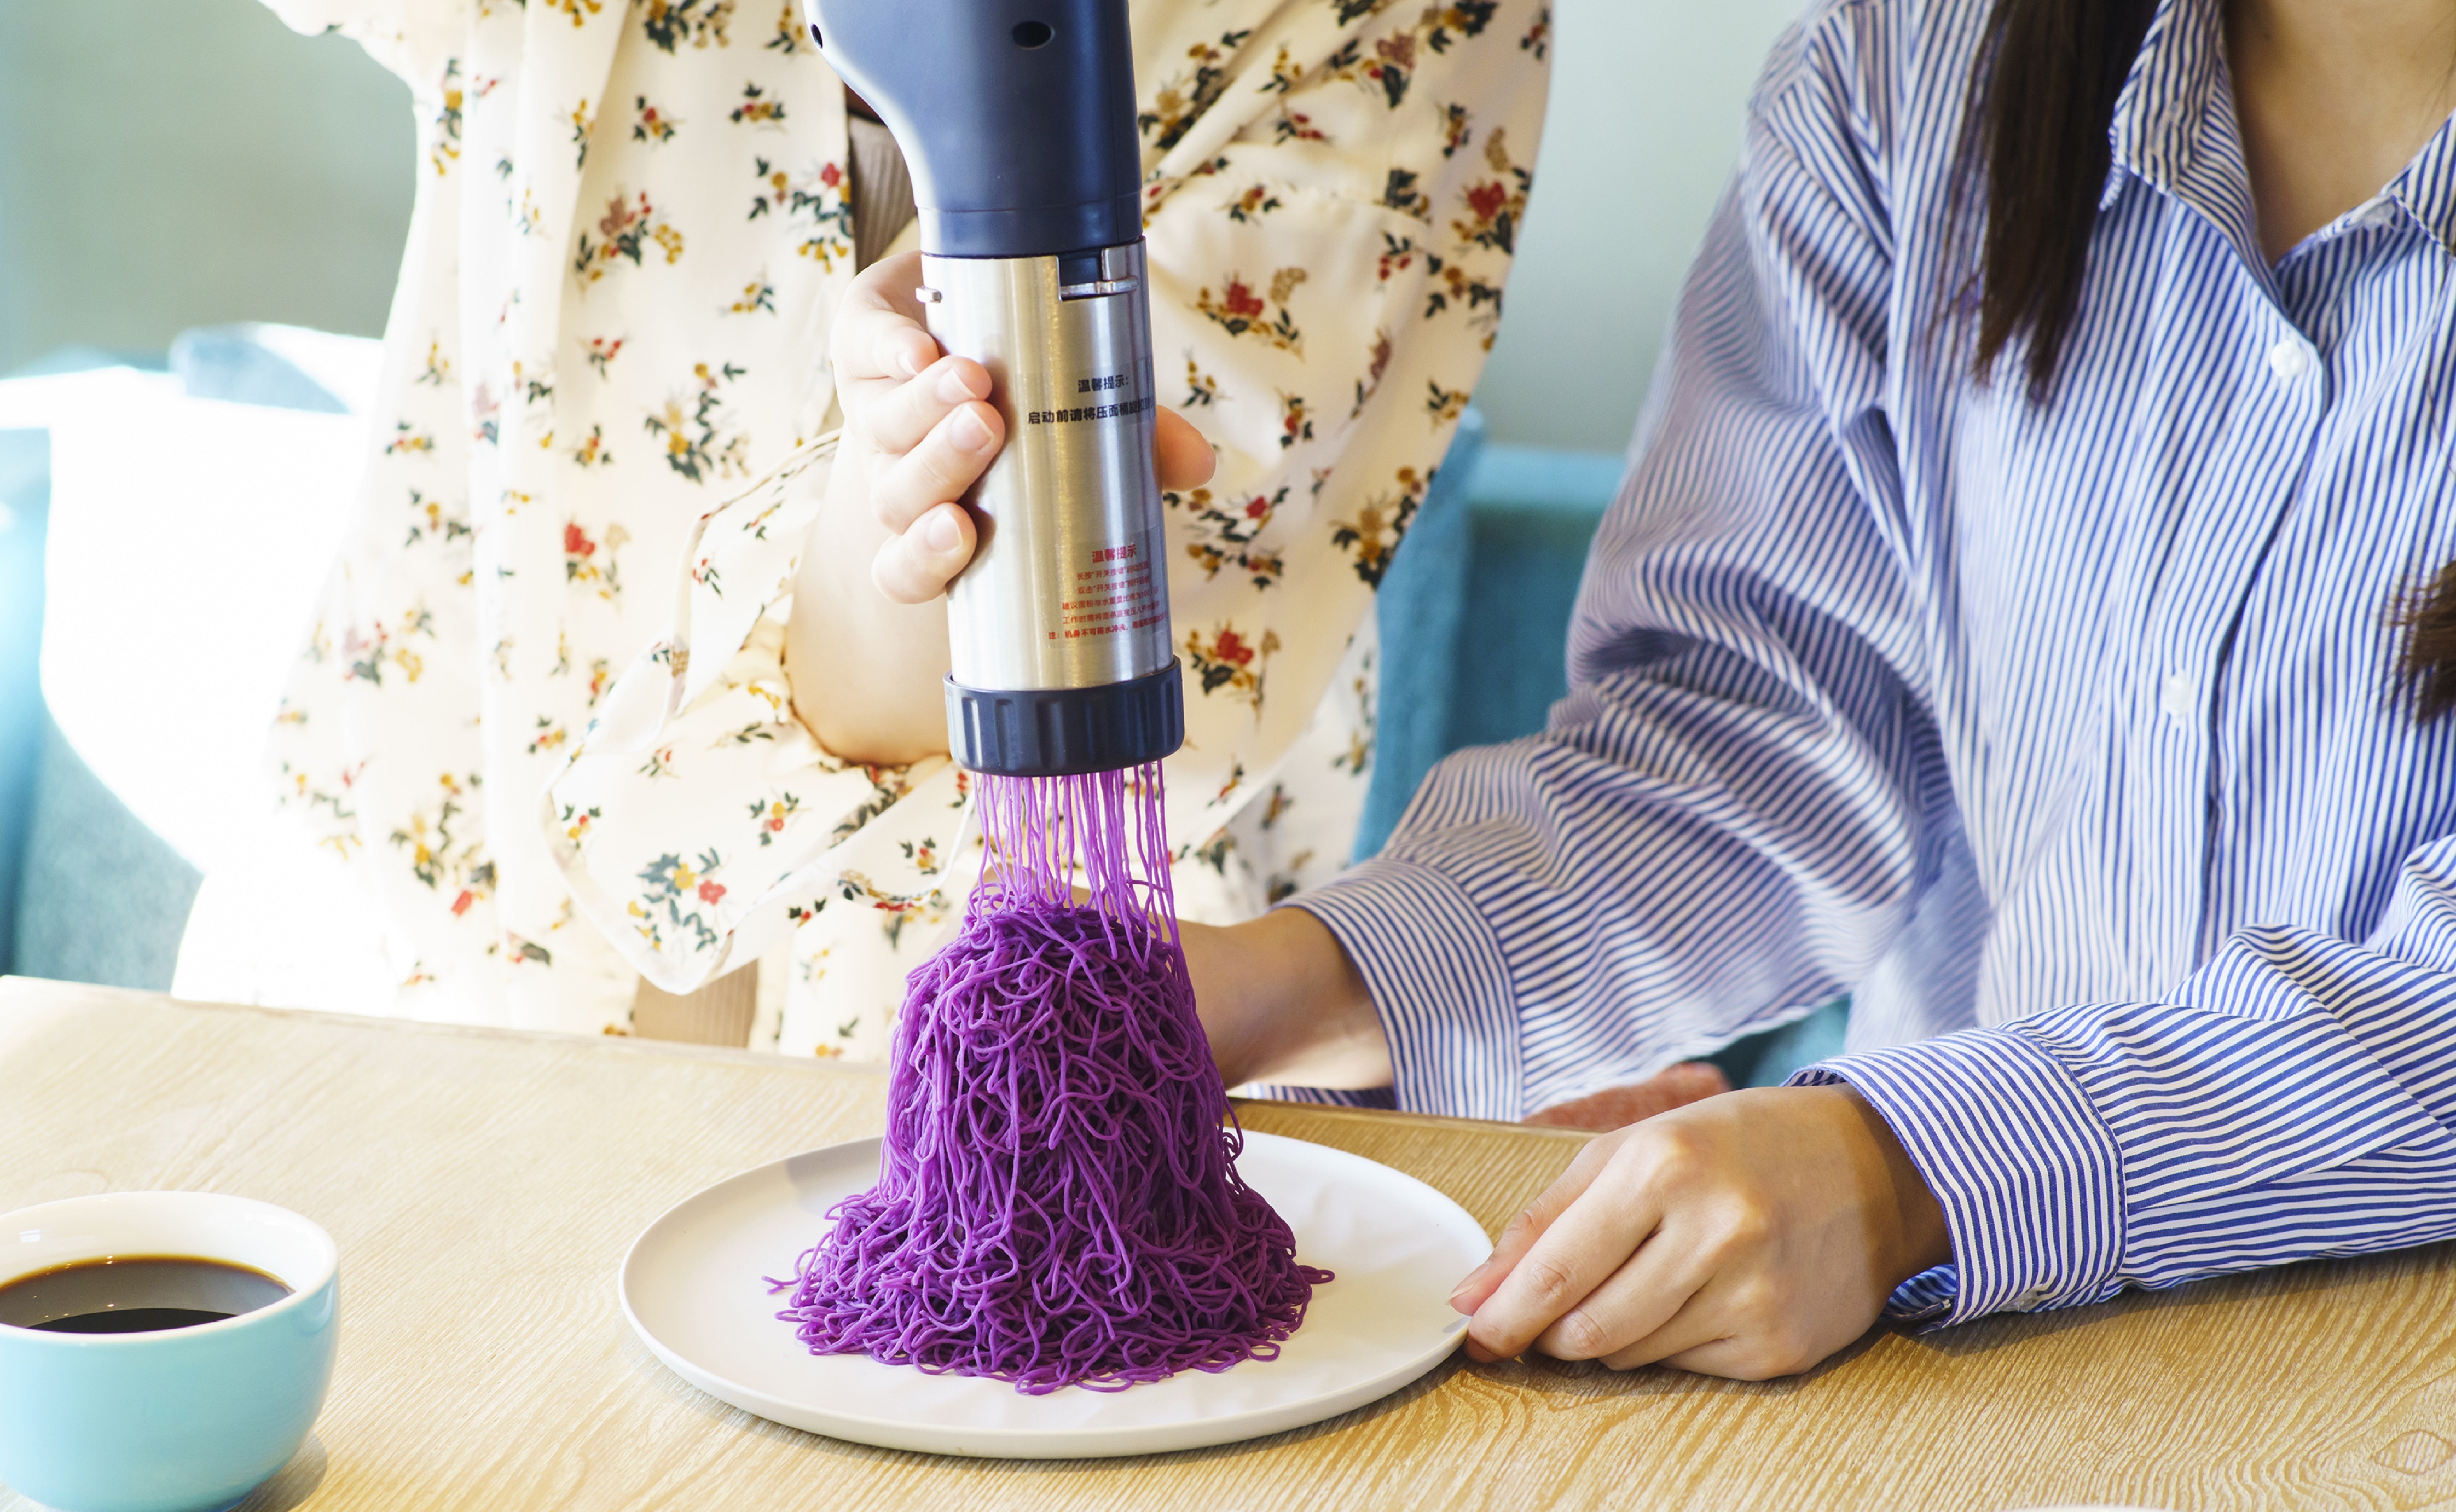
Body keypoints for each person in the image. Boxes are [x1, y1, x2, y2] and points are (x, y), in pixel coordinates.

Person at [1180, 0, 2456, 1379]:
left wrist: (1913, 1164)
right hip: (1968, 1394)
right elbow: (1753, 736)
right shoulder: (1903, 72)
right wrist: (1296, 980)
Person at [178, 0, 1553, 1063]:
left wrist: (933, 469)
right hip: (429, 939)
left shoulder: (1373, 29)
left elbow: (946, 673)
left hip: (1008, 1049)